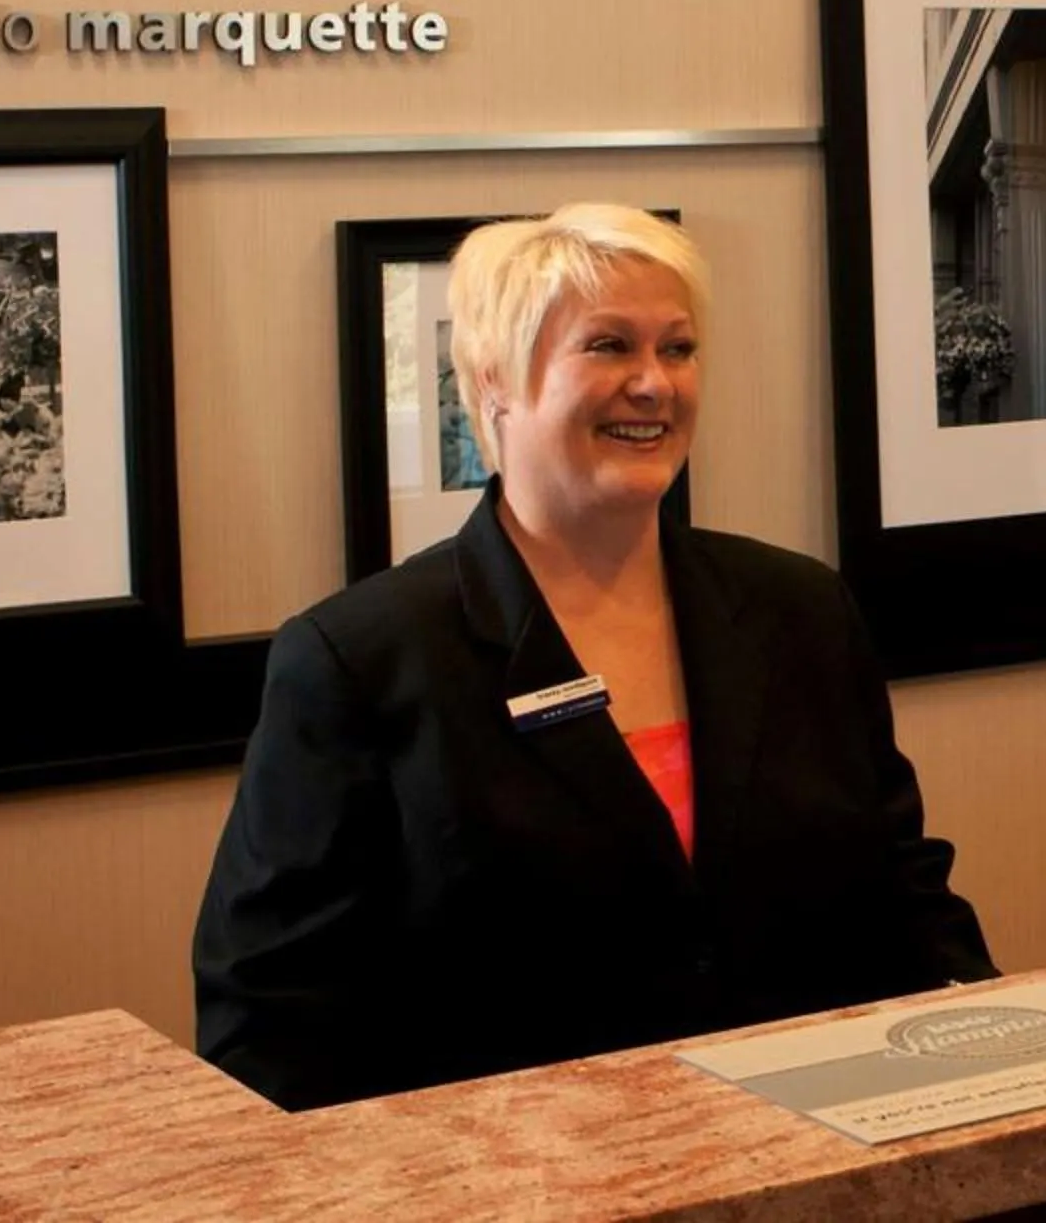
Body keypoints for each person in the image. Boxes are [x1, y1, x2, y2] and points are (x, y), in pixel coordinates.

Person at [195, 203, 994, 1110]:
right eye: (609, 346)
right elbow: (265, 1029)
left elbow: (906, 899)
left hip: (817, 1161)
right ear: (495, 381)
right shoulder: (360, 662)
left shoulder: (802, 610)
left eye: (678, 349)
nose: (653, 384)